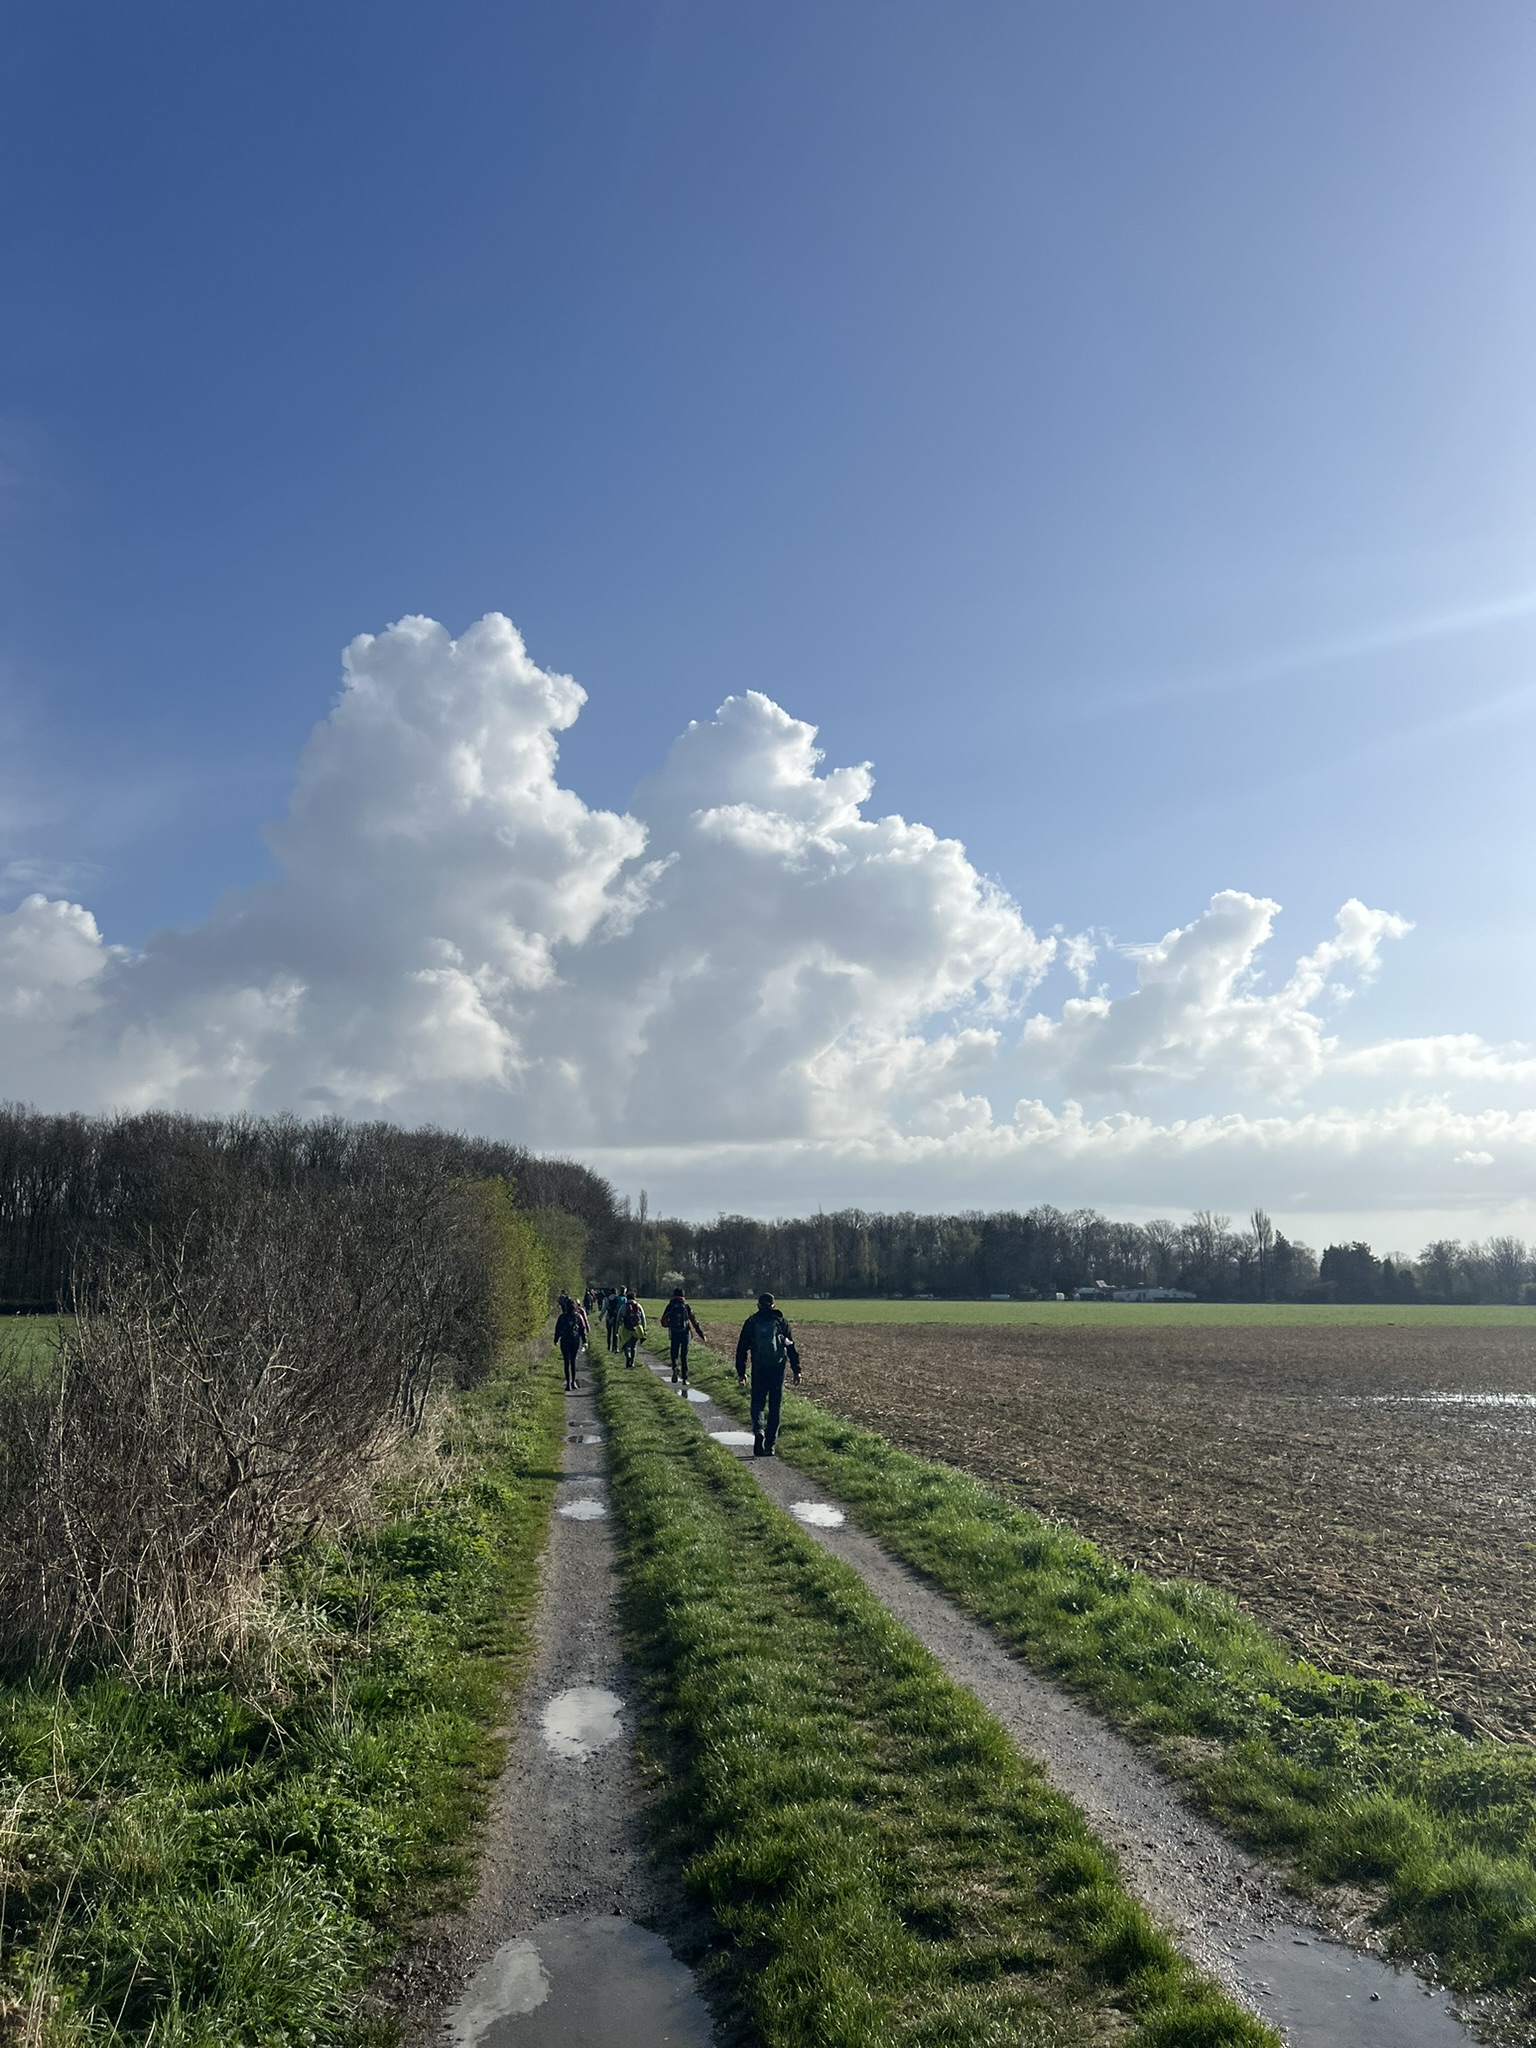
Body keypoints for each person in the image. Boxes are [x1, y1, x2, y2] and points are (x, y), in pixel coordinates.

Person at [735, 1292, 800, 1457]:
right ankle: (770, 1445)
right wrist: (796, 1370)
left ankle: (759, 1431)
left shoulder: (751, 1322)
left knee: (757, 1404)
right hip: (777, 1370)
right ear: (773, 1305)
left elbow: (741, 1349)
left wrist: (741, 1372)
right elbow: (790, 1347)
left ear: (758, 1305)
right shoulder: (781, 1322)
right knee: (775, 1406)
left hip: (759, 1369)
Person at [659, 1287, 705, 1385]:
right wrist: (701, 1334)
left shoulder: (670, 1306)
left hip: (674, 1333)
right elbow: (694, 1321)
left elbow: (663, 1321)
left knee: (674, 1353)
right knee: (684, 1355)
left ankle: (675, 1367)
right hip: (685, 1333)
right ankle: (684, 1378)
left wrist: (670, 1325)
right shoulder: (686, 1306)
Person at [553, 1295, 586, 1393]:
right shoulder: (578, 1317)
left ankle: (568, 1383)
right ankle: (573, 1382)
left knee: (566, 1362)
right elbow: (582, 1329)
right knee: (573, 1361)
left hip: (565, 1340)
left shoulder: (562, 1317)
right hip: (575, 1340)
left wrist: (556, 1339)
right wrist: (585, 1341)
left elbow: (558, 1329)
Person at [620, 1287, 647, 1368]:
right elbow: (643, 1318)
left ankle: (628, 1356)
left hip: (626, 1328)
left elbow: (619, 1317)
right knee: (634, 1346)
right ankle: (632, 1362)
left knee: (626, 1344)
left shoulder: (624, 1306)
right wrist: (644, 1329)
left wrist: (617, 1327)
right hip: (636, 1329)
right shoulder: (638, 1306)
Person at [604, 1288, 623, 1353]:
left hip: (608, 1317)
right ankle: (615, 1347)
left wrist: (600, 1316)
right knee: (615, 1333)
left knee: (609, 1333)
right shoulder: (618, 1299)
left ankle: (609, 1346)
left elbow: (604, 1308)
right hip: (615, 1317)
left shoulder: (607, 1299)